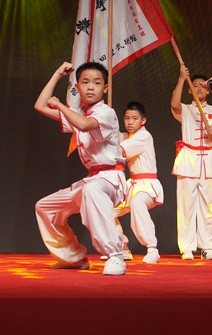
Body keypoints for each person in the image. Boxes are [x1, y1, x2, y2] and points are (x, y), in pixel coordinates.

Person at [33, 61, 128, 275]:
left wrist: (60, 106)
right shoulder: (78, 114)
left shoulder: (105, 112)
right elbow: (40, 106)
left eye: (96, 82)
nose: (91, 87)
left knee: (92, 189)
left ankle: (115, 256)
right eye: (85, 82)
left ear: (105, 88)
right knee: (45, 207)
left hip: (111, 180)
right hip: (92, 179)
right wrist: (58, 73)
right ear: (77, 87)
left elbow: (85, 125)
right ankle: (73, 257)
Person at [170, 65, 212, 260]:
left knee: (207, 206)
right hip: (188, 159)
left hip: (208, 160)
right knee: (186, 206)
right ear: (190, 89)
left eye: (202, 86)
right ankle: (187, 247)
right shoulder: (186, 110)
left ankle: (206, 247)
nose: (199, 89)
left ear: (207, 90)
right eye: (194, 86)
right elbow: (174, 103)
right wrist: (181, 78)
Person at [112, 101, 163, 264]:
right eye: (127, 118)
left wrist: (108, 141)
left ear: (143, 121)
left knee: (137, 202)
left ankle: (152, 248)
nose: (130, 122)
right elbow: (112, 137)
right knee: (106, 210)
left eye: (134, 118)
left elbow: (118, 148)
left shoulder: (143, 136)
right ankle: (122, 247)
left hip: (147, 185)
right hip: (132, 185)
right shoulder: (128, 136)